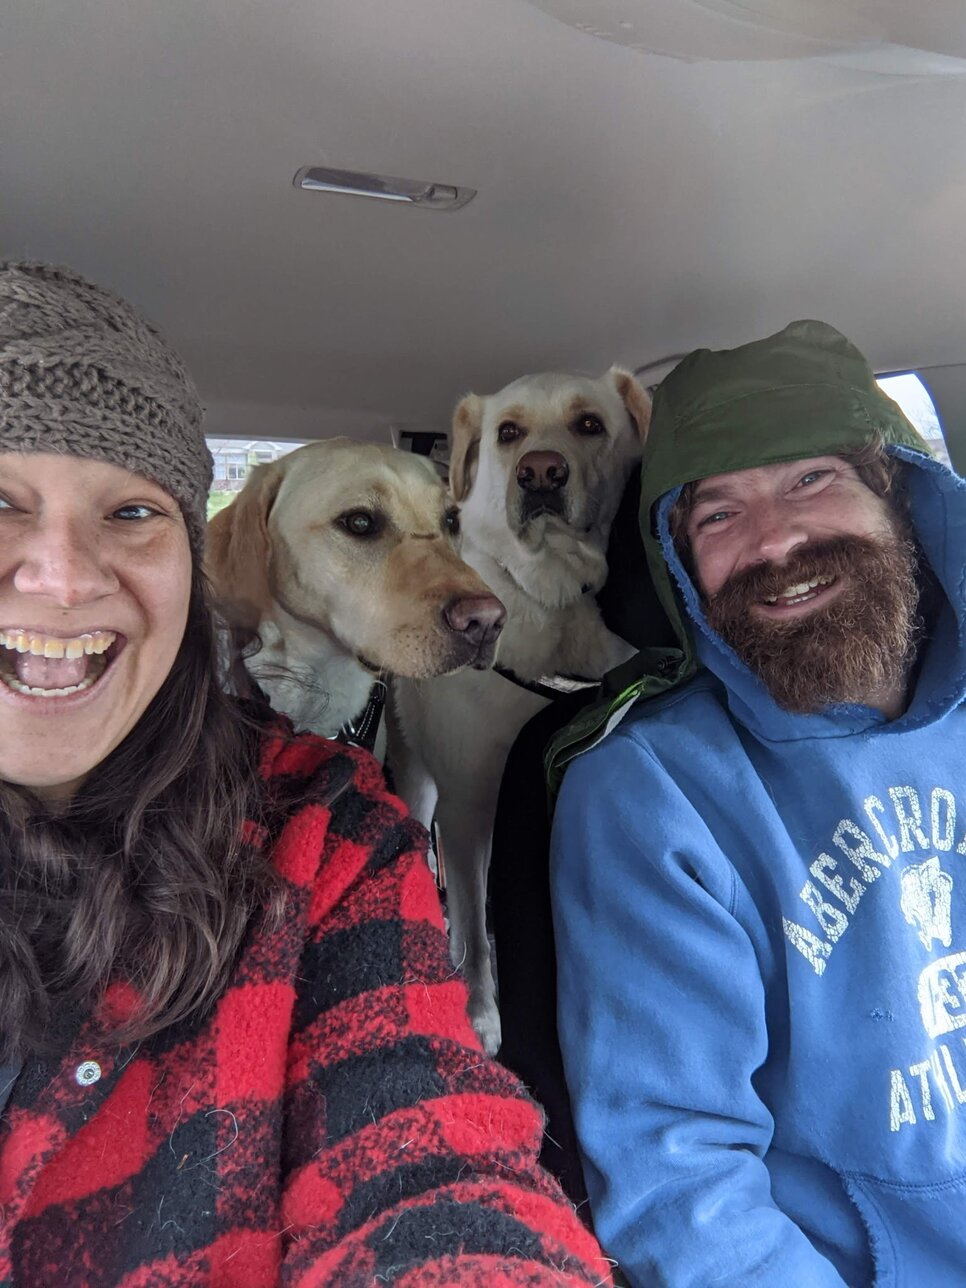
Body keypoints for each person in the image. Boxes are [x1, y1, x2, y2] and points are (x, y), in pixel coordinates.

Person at [0, 260, 612, 1287]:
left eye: (131, 512)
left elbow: (429, 1154)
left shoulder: (324, 831)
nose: (62, 576)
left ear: (185, 558)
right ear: (244, 564)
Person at [551, 319, 966, 1286]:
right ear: (681, 570)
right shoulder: (654, 795)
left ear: (900, 496)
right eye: (718, 516)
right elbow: (680, 1180)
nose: (775, 540)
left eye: (811, 480)